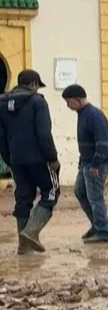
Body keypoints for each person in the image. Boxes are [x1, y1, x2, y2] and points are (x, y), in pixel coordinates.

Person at [0, 70, 59, 253]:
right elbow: (43, 133)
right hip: (39, 158)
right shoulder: (37, 101)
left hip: (16, 159)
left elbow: (1, 137)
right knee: (51, 191)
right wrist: (52, 158)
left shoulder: (1, 103)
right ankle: (31, 232)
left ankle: (23, 246)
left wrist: (9, 159)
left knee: (23, 198)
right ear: (33, 83)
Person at [61, 84, 108, 243]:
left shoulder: (94, 115)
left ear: (77, 100)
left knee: (95, 197)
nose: (67, 105)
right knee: (80, 192)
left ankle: (103, 231)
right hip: (86, 162)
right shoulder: (82, 114)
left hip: (97, 164)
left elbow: (102, 142)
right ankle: (97, 224)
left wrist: (96, 165)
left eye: (69, 102)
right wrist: (82, 163)